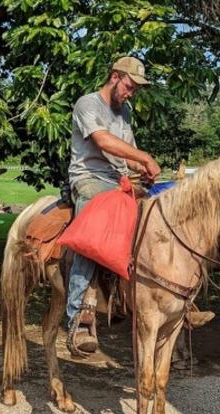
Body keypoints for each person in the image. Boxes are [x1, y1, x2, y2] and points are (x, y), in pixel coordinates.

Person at [65, 56, 161, 355]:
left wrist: (140, 168)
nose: (131, 93)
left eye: (135, 89)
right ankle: (78, 315)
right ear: (116, 76)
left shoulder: (125, 112)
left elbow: (127, 152)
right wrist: (144, 157)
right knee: (94, 232)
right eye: (130, 86)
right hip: (89, 178)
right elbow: (104, 142)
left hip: (119, 179)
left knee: (157, 217)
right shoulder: (88, 104)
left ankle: (156, 297)